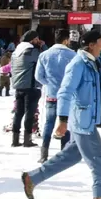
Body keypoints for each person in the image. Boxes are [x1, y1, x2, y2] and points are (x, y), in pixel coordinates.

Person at [20, 30, 101, 199]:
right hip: (82, 120)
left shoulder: (94, 61)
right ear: (91, 45)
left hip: (85, 117)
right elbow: (65, 92)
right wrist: (63, 119)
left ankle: (33, 177)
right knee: (98, 155)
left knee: (72, 155)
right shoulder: (78, 64)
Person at [35, 32, 77, 163]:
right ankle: (64, 154)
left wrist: (49, 84)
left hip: (51, 94)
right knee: (66, 123)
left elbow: (38, 76)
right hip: (68, 96)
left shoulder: (44, 55)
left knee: (49, 123)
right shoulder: (73, 55)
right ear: (65, 40)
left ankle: (44, 153)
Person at [10, 31, 45, 148]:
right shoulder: (32, 51)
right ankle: (27, 139)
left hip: (18, 86)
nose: (38, 41)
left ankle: (15, 140)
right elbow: (45, 58)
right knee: (30, 113)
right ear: (31, 40)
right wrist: (43, 46)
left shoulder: (16, 52)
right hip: (31, 86)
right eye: (36, 39)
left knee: (18, 113)